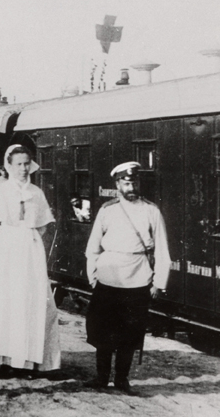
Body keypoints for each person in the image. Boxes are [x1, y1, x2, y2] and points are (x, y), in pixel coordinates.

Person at [84, 161, 171, 394]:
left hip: (137, 280)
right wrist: (93, 276)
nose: (131, 187)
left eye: (135, 183)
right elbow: (93, 247)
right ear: (117, 185)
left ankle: (121, 379)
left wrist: (158, 283)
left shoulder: (151, 211)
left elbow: (162, 250)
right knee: (102, 332)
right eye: (126, 183)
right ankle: (101, 377)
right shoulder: (107, 210)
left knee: (130, 334)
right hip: (108, 279)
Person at [0, 144, 60, 377]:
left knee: (32, 302)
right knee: (6, 302)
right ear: (9, 165)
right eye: (18, 164)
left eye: (26, 164)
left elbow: (43, 225)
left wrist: (28, 240)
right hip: (4, 251)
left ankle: (28, 361)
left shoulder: (36, 192)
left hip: (30, 252)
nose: (23, 169)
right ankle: (5, 360)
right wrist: (1, 243)